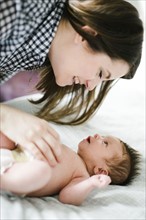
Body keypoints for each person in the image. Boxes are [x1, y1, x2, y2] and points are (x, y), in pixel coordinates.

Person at [0, 1, 144, 165]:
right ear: (87, 35)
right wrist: (7, 117)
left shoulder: (38, 52)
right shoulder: (21, 7)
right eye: (100, 73)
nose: (91, 86)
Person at [0, 131, 141, 205]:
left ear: (101, 171)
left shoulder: (81, 175)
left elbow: (67, 198)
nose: (98, 135)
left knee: (42, 171)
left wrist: (91, 184)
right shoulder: (71, 153)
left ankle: (3, 182)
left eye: (104, 143)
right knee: (7, 132)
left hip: (18, 176)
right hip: (12, 154)